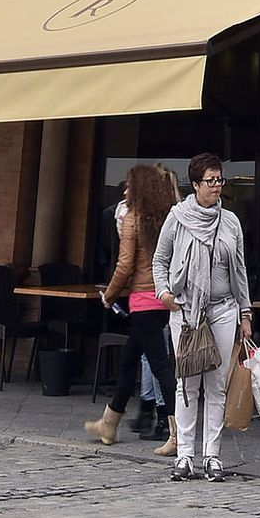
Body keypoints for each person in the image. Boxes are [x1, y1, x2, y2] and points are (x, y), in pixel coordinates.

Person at [152, 151, 252, 481]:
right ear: (195, 184)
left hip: (223, 310)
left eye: (220, 179)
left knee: (217, 385)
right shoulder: (177, 218)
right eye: (210, 181)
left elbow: (239, 270)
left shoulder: (230, 222)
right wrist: (164, 294)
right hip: (185, 312)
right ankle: (184, 455)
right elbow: (160, 260)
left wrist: (245, 313)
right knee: (187, 385)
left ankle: (212, 455)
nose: (217, 185)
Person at [85, 162, 177, 451]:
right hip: (164, 298)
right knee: (128, 362)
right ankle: (109, 423)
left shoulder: (131, 219)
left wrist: (110, 295)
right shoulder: (167, 218)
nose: (125, 191)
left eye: (129, 185)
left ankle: (178, 434)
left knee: (161, 366)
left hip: (142, 300)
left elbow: (124, 265)